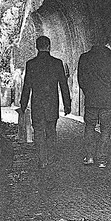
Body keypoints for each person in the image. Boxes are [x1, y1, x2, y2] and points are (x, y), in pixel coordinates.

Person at [19, 36, 71, 168]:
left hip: (37, 104)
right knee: (51, 131)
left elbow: (27, 86)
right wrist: (67, 104)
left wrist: (23, 104)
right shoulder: (57, 63)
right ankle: (51, 157)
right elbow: (63, 85)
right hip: (52, 104)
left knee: (38, 132)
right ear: (49, 46)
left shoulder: (31, 64)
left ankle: (42, 160)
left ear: (37, 47)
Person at [77, 37, 111, 168]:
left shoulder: (84, 57)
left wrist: (88, 92)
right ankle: (101, 159)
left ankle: (89, 157)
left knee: (90, 126)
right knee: (106, 129)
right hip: (107, 100)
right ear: (108, 45)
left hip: (91, 99)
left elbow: (81, 80)